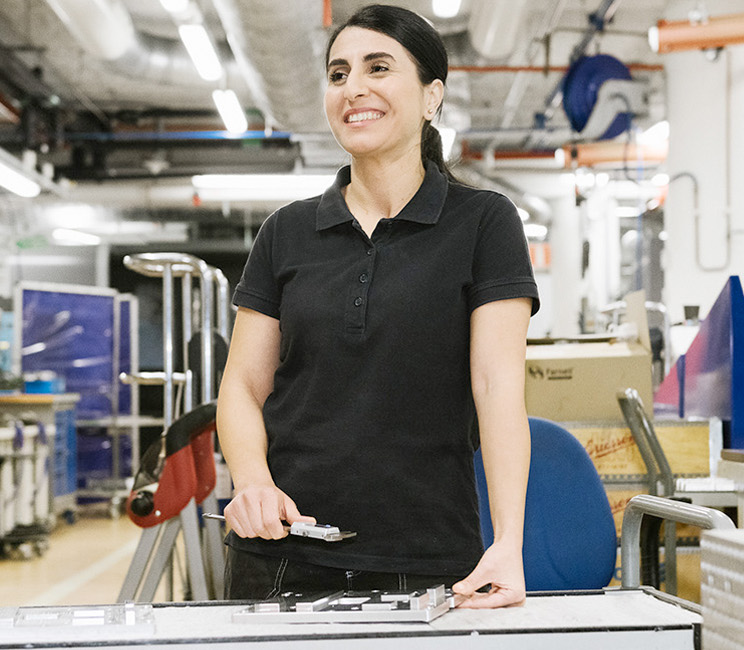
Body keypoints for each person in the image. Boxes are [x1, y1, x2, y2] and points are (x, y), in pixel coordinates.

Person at [216, 4, 537, 610]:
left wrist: (510, 541)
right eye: (338, 74)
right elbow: (242, 386)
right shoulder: (285, 233)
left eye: (378, 68)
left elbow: (498, 388)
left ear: (430, 95)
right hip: (281, 554)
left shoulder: (483, 222)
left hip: (427, 559)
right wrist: (254, 483)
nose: (353, 88)